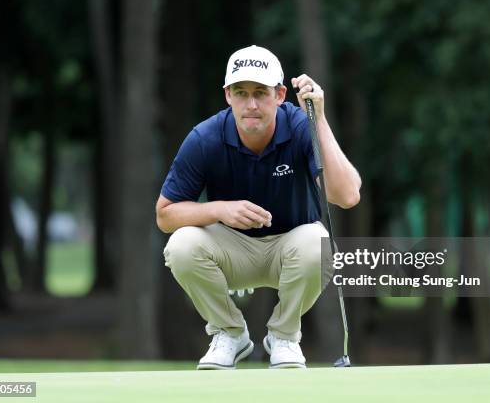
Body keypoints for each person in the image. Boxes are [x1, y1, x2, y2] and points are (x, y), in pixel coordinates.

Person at [155, 45, 361, 369]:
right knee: (181, 245)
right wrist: (219, 210)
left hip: (292, 249)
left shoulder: (299, 127)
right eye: (241, 93)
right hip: (231, 252)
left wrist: (317, 118)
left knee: (319, 243)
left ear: (280, 95)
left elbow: (347, 195)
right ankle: (229, 333)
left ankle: (284, 336)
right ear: (228, 95)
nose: (251, 104)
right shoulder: (205, 138)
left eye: (261, 93)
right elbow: (165, 214)